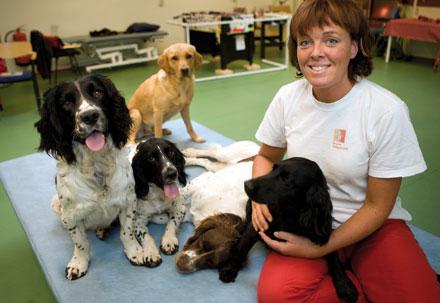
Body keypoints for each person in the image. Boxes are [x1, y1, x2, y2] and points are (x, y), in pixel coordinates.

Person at [251, 0, 440, 302]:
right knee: (276, 296)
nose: (315, 52)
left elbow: (378, 207)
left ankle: (365, 275)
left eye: (331, 40)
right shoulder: (288, 98)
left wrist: (323, 248)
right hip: (307, 221)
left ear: (354, 47)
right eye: (305, 42)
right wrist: (261, 200)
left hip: (372, 226)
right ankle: (362, 282)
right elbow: (265, 156)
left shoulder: (386, 111)